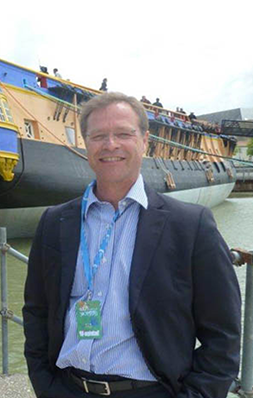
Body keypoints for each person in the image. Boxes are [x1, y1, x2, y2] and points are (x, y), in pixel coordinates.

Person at [23, 92, 241, 398]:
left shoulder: (191, 226)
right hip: (68, 388)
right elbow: (37, 311)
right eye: (98, 135)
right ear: (85, 142)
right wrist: (45, 385)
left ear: (144, 140)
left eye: (123, 134)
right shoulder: (54, 222)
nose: (110, 145)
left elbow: (223, 334)